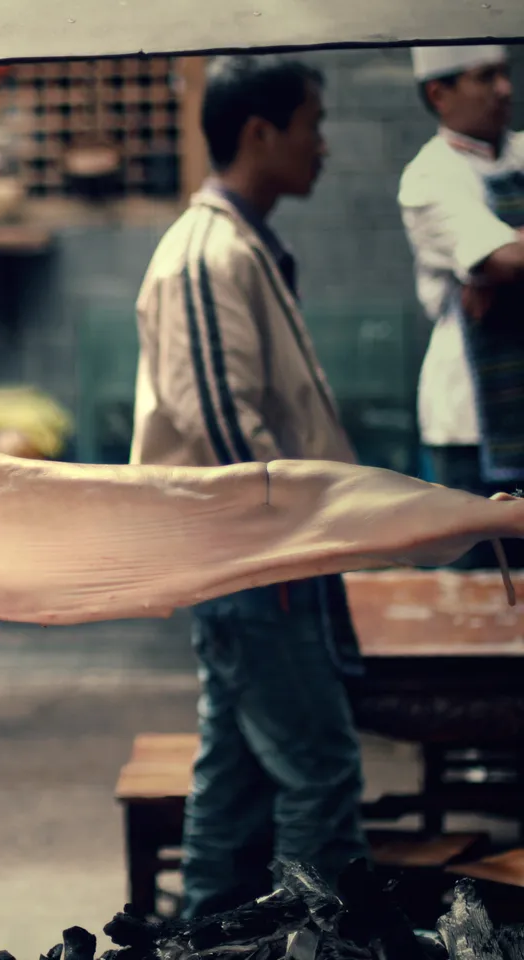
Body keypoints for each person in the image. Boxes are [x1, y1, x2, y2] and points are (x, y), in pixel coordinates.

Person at [130, 55, 370, 918]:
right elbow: (222, 427)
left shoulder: (239, 245)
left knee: (235, 780)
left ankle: (210, 934)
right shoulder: (206, 254)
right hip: (258, 559)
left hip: (265, 556)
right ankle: (314, 937)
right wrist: (285, 554)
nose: (323, 146)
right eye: (313, 125)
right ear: (261, 133)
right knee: (320, 771)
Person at [398, 44, 524, 569]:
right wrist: (501, 261)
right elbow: (500, 259)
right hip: (473, 426)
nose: (505, 89)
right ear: (439, 93)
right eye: (485, 77)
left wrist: (505, 256)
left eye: (505, 74)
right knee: (485, 586)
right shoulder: (430, 176)